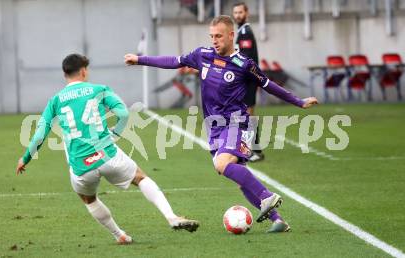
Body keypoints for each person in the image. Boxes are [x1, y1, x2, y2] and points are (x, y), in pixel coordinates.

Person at [124, 15, 318, 233]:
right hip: (214, 127)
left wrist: (298, 102)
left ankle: (267, 197)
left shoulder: (244, 64)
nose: (214, 40)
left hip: (237, 124)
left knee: (222, 164)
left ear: (231, 35)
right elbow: (173, 61)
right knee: (238, 176)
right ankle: (278, 220)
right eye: (212, 36)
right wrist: (140, 59)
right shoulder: (202, 55)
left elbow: (268, 85)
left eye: (219, 36)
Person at [15, 54, 199, 245]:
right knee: (141, 178)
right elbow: (123, 113)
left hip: (81, 166)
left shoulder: (55, 100)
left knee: (88, 199)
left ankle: (119, 235)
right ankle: (171, 217)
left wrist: (25, 158)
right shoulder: (99, 90)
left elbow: (39, 134)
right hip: (108, 155)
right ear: (84, 71)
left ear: (64, 74)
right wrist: (116, 134)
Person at [232, 2, 264, 162]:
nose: (237, 15)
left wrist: (231, 64)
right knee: (246, 114)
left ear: (247, 13)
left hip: (248, 79)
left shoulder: (245, 32)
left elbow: (244, 60)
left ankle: (253, 150)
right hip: (246, 79)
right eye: (235, 13)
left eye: (240, 12)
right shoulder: (242, 31)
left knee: (248, 115)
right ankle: (252, 148)